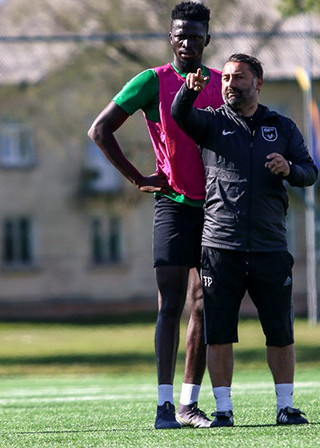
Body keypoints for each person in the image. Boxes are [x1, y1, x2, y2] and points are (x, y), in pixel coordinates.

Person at [87, 1, 223, 429]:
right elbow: (100, 130)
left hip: (216, 210)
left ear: (207, 39)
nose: (188, 41)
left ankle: (188, 405)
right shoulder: (152, 82)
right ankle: (164, 407)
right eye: (180, 34)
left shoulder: (222, 84)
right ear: (171, 37)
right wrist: (137, 178)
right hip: (173, 206)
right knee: (170, 305)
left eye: (196, 35)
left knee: (203, 306)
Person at [171, 53, 318, 427]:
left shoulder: (281, 127)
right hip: (220, 246)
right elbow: (179, 115)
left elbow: (310, 171)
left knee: (280, 332)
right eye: (226, 78)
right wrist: (188, 93)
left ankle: (285, 407)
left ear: (258, 83)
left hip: (270, 246)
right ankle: (224, 411)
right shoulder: (211, 123)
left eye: (238, 78)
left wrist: (290, 169)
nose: (229, 84)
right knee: (219, 334)